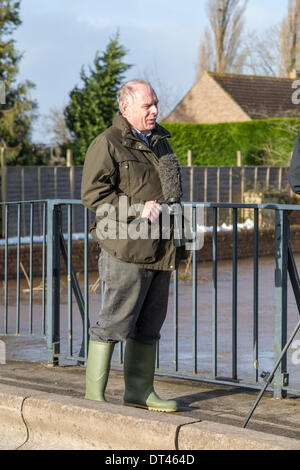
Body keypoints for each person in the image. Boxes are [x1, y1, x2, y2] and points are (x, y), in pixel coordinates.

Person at [81, 79, 182, 412]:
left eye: (155, 104)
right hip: (125, 249)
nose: (155, 110)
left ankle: (139, 392)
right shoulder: (107, 144)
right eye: (147, 105)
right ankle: (94, 398)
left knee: (149, 326)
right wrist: (139, 209)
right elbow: (94, 197)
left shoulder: (161, 143)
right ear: (126, 108)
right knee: (115, 323)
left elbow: (172, 196)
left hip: (161, 248)